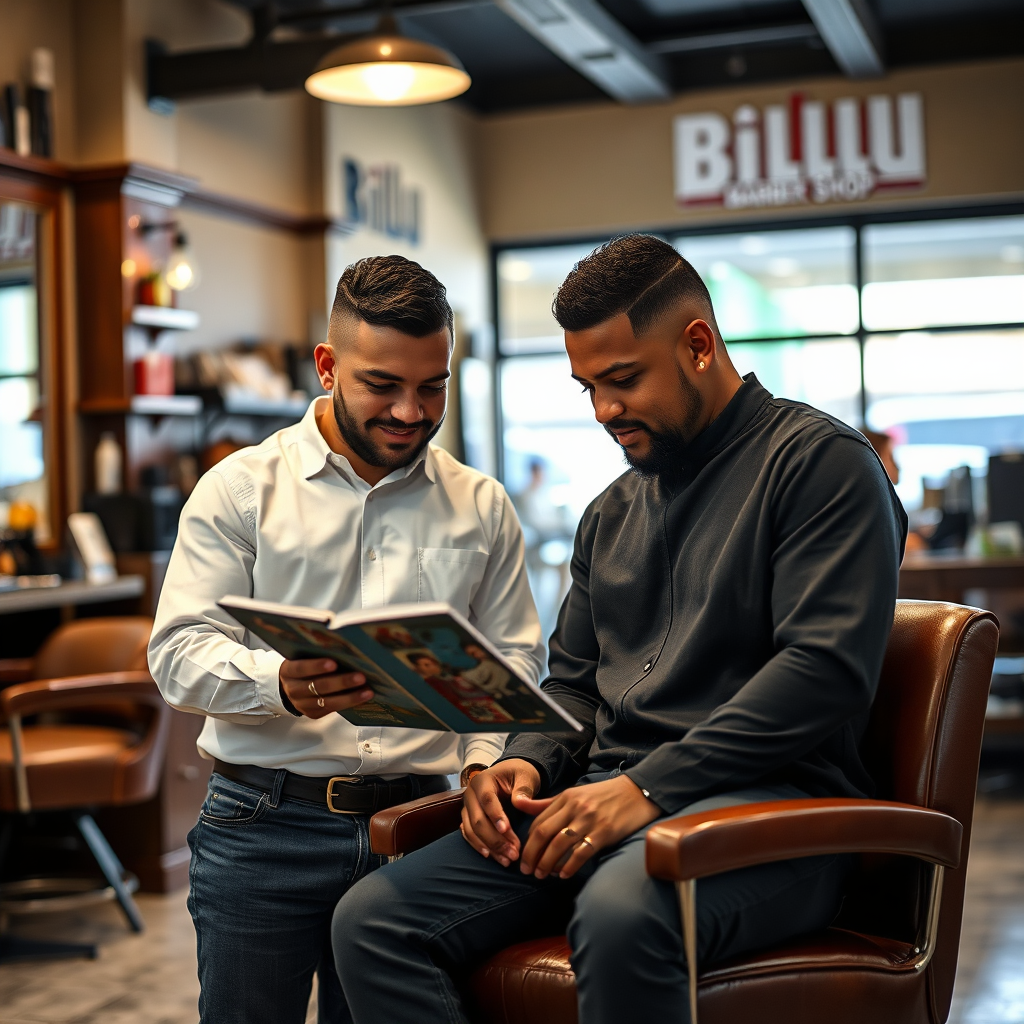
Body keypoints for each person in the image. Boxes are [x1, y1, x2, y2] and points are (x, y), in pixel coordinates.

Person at [331, 235, 907, 1024]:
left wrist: (647, 788)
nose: (604, 410)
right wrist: (525, 763)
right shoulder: (610, 513)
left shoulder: (821, 466)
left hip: (772, 813)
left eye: (624, 379)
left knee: (621, 909)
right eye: (589, 387)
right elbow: (572, 684)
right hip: (607, 801)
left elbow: (823, 671)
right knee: (372, 920)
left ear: (698, 345)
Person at [148, 255, 544, 1024]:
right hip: (265, 829)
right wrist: (276, 682)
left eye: (433, 386)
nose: (410, 411)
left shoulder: (482, 505)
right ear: (328, 367)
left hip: (424, 828)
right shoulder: (239, 490)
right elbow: (176, 654)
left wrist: (483, 762)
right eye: (383, 385)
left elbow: (515, 658)